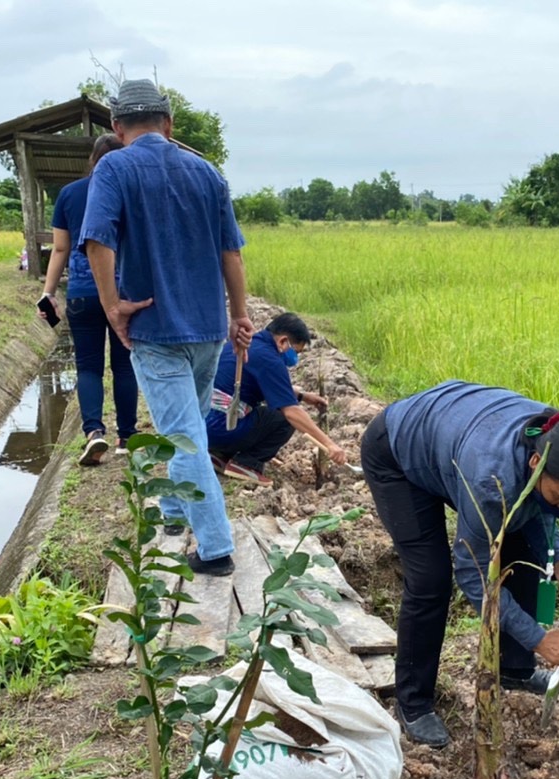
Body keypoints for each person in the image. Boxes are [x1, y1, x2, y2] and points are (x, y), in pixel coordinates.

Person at [360, 380, 559, 748]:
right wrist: (539, 639)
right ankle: (413, 703)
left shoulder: (558, 440)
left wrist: (558, 559)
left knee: (523, 543)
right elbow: (474, 574)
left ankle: (514, 669)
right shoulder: (491, 480)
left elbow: (538, 507)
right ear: (535, 462)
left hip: (454, 437)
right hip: (399, 453)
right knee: (431, 579)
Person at [79, 78, 252, 577]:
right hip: (207, 329)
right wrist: (239, 314)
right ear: (168, 123)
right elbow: (231, 252)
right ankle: (175, 512)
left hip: (154, 329)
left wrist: (113, 307)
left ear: (116, 126)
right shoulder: (206, 172)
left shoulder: (113, 166)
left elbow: (96, 242)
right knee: (188, 427)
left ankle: (216, 548)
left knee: (183, 437)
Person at [40, 133, 137, 466]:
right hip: (124, 291)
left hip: (82, 292)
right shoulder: (131, 191)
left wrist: (48, 293)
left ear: (93, 160)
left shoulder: (69, 194)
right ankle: (127, 436)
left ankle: (94, 433)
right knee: (125, 366)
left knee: (89, 366)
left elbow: (61, 249)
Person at [207, 312, 346, 486]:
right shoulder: (270, 360)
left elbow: (268, 386)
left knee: (257, 410)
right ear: (282, 341)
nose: (295, 358)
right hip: (224, 428)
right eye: (296, 351)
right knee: (283, 420)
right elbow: (291, 413)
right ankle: (247, 464)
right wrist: (329, 444)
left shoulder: (244, 344)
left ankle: (218, 455)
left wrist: (303, 396)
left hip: (204, 426)